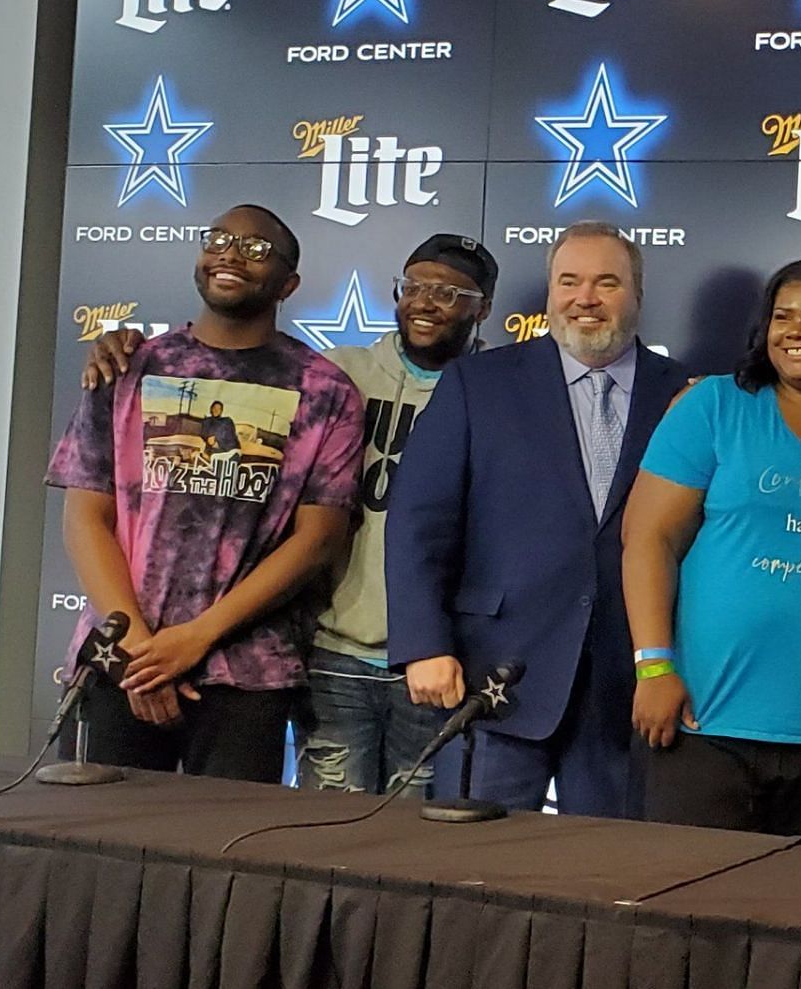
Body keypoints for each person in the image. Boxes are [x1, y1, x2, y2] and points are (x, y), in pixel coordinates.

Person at [83, 233, 501, 797]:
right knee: (319, 834)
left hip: (439, 658)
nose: (427, 302)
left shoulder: (505, 392)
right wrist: (126, 346)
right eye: (415, 286)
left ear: (483, 309)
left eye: (450, 292)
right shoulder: (331, 375)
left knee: (422, 843)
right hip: (332, 648)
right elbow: (228, 365)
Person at [47, 204, 363, 781]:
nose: (232, 253)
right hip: (119, 659)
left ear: (288, 283)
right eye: (218, 238)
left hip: (245, 673)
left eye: (257, 248)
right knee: (96, 853)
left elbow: (318, 539)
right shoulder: (129, 367)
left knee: (223, 862)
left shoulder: (325, 390)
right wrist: (142, 653)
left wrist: (193, 640)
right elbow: (86, 516)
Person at [386, 221, 687, 817]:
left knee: (611, 880)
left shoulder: (687, 394)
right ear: (549, 293)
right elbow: (419, 521)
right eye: (568, 281)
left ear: (638, 295)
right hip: (492, 681)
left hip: (627, 692)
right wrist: (423, 644)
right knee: (469, 874)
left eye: (607, 282)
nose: (586, 298)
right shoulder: (478, 383)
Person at [623, 258, 801, 839]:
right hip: (706, 721)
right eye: (783, 317)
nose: (796, 331)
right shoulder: (715, 406)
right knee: (692, 916)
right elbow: (648, 538)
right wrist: (653, 666)